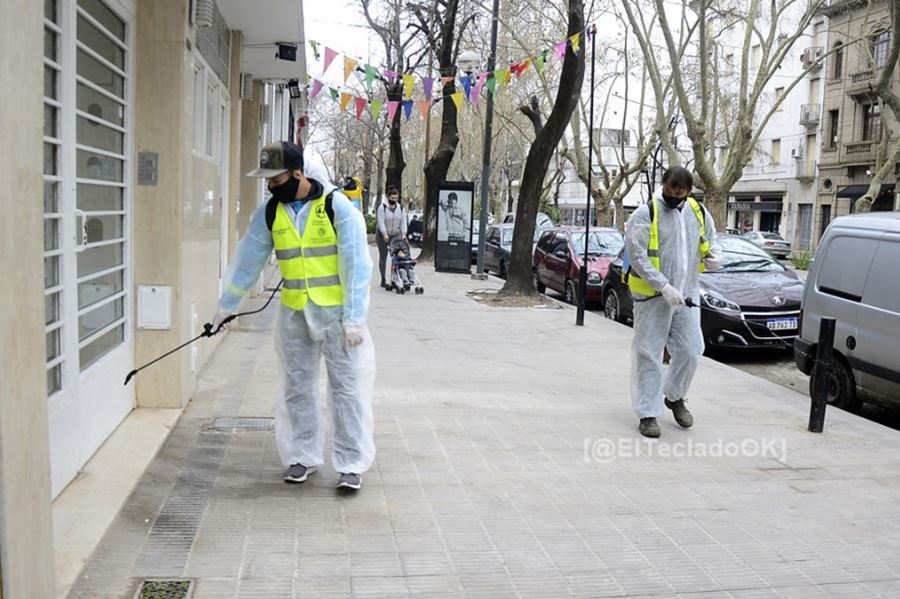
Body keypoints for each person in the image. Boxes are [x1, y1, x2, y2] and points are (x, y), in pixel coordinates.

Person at [212, 141, 375, 491]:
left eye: (276, 178)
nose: (270, 185)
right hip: (294, 313)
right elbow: (248, 261)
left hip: (336, 317)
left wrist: (354, 318)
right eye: (267, 181)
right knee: (297, 386)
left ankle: (350, 463)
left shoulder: (336, 207)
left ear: (298, 173)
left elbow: (357, 264)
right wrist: (227, 306)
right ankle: (302, 456)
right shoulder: (271, 212)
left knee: (346, 389)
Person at [624, 166, 723, 438]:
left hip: (686, 294)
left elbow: (712, 241)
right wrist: (663, 285)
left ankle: (674, 396)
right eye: (670, 192)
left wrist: (716, 256)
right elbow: (637, 256)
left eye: (680, 193)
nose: (675, 197)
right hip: (653, 297)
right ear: (664, 186)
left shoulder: (698, 213)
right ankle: (647, 413)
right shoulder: (646, 214)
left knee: (692, 349)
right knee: (649, 353)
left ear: (689, 191)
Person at [376, 186, 407, 289]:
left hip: (395, 234)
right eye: (392, 198)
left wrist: (403, 234)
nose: (394, 200)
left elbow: (403, 223)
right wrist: (384, 234)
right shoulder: (382, 207)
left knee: (396, 256)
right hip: (382, 234)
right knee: (383, 256)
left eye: (396, 198)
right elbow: (381, 222)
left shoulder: (401, 208)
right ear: (388, 197)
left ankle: (394, 279)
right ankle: (383, 279)